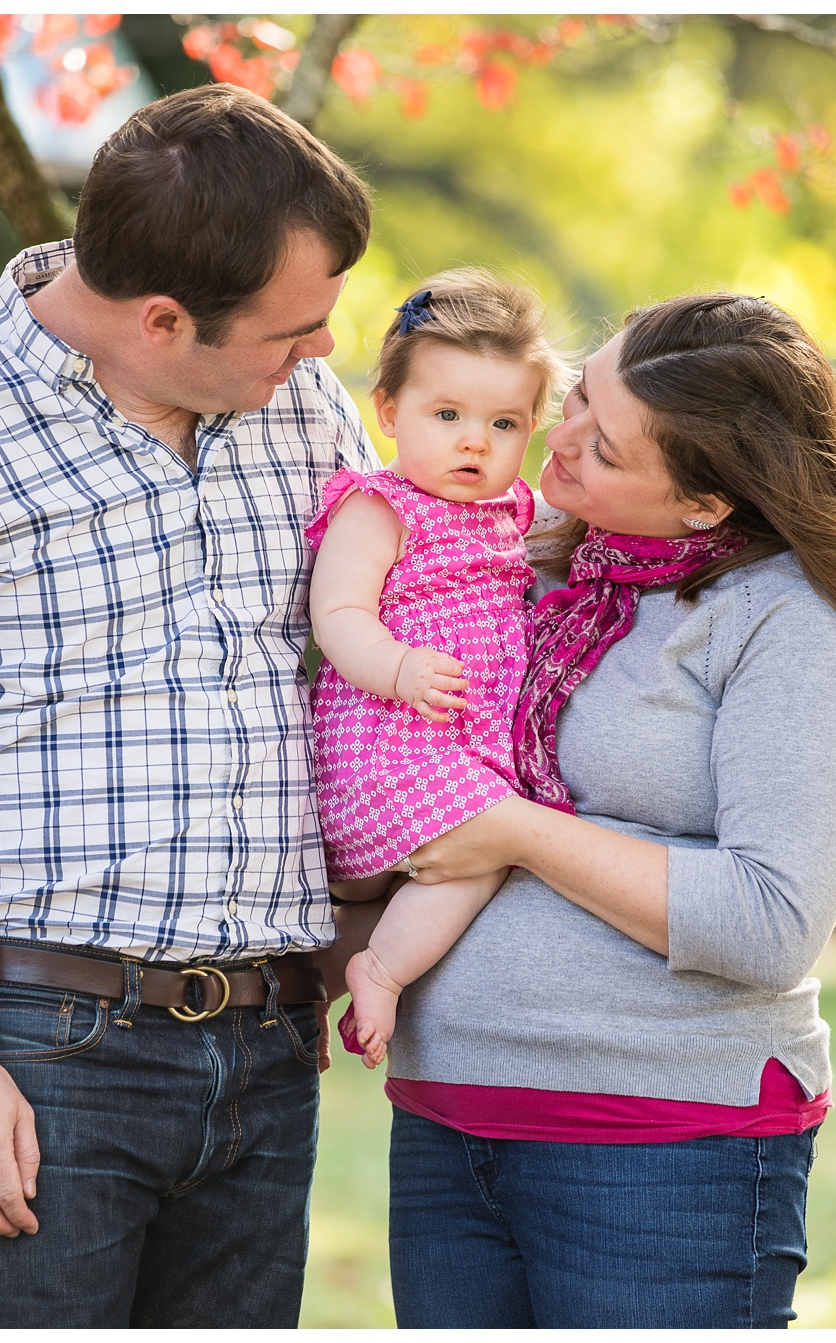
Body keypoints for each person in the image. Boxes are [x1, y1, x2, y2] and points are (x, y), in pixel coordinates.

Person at [0, 85, 376, 1328]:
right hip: (46, 1054)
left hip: (268, 1046)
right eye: (292, 329)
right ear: (162, 319)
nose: (321, 353)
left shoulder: (299, 411)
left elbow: (372, 661)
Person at [364, 293, 836, 1328]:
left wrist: (518, 830)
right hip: (448, 1123)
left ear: (706, 502)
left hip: (661, 1148)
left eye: (609, 445)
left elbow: (769, 920)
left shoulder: (789, 626)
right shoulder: (522, 563)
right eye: (579, 392)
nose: (560, 437)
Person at [302, 270, 566, 1068]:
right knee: (482, 852)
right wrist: (398, 666)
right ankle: (379, 970)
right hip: (391, 738)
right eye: (446, 414)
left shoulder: (517, 510)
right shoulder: (379, 505)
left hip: (461, 744)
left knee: (454, 865)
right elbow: (339, 612)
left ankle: (317, 984)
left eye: (504, 422)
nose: (474, 441)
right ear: (388, 411)